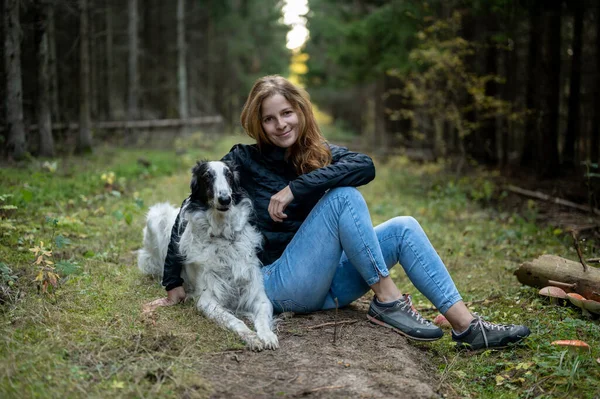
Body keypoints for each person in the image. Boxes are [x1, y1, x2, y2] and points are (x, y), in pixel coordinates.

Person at [146, 75, 530, 350]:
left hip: (327, 284)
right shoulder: (241, 159)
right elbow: (190, 203)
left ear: (300, 111)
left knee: (404, 227)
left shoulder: (319, 155)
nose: (280, 125)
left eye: (287, 113)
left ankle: (468, 328)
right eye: (269, 118)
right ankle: (388, 301)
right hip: (277, 281)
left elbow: (366, 166)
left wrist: (296, 187)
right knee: (342, 198)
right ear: (257, 123)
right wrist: (172, 282)